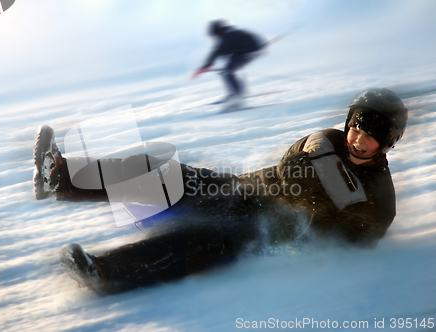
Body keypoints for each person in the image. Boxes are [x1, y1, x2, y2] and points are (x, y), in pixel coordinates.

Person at [33, 88, 407, 295]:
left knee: (201, 237)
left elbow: (355, 246)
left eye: (371, 136)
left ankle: (105, 271)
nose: (359, 140)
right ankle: (62, 176)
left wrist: (319, 220)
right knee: (167, 175)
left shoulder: (379, 198)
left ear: (387, 143)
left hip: (275, 231)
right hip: (247, 190)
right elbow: (286, 168)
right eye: (357, 129)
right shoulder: (325, 140)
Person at [192, 19, 268, 108]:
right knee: (228, 70)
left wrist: (207, 65)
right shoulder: (231, 32)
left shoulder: (228, 35)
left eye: (214, 35)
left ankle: (237, 96)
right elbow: (224, 50)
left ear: (217, 31)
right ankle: (237, 92)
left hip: (249, 52)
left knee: (227, 72)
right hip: (251, 51)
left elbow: (218, 51)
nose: (215, 38)